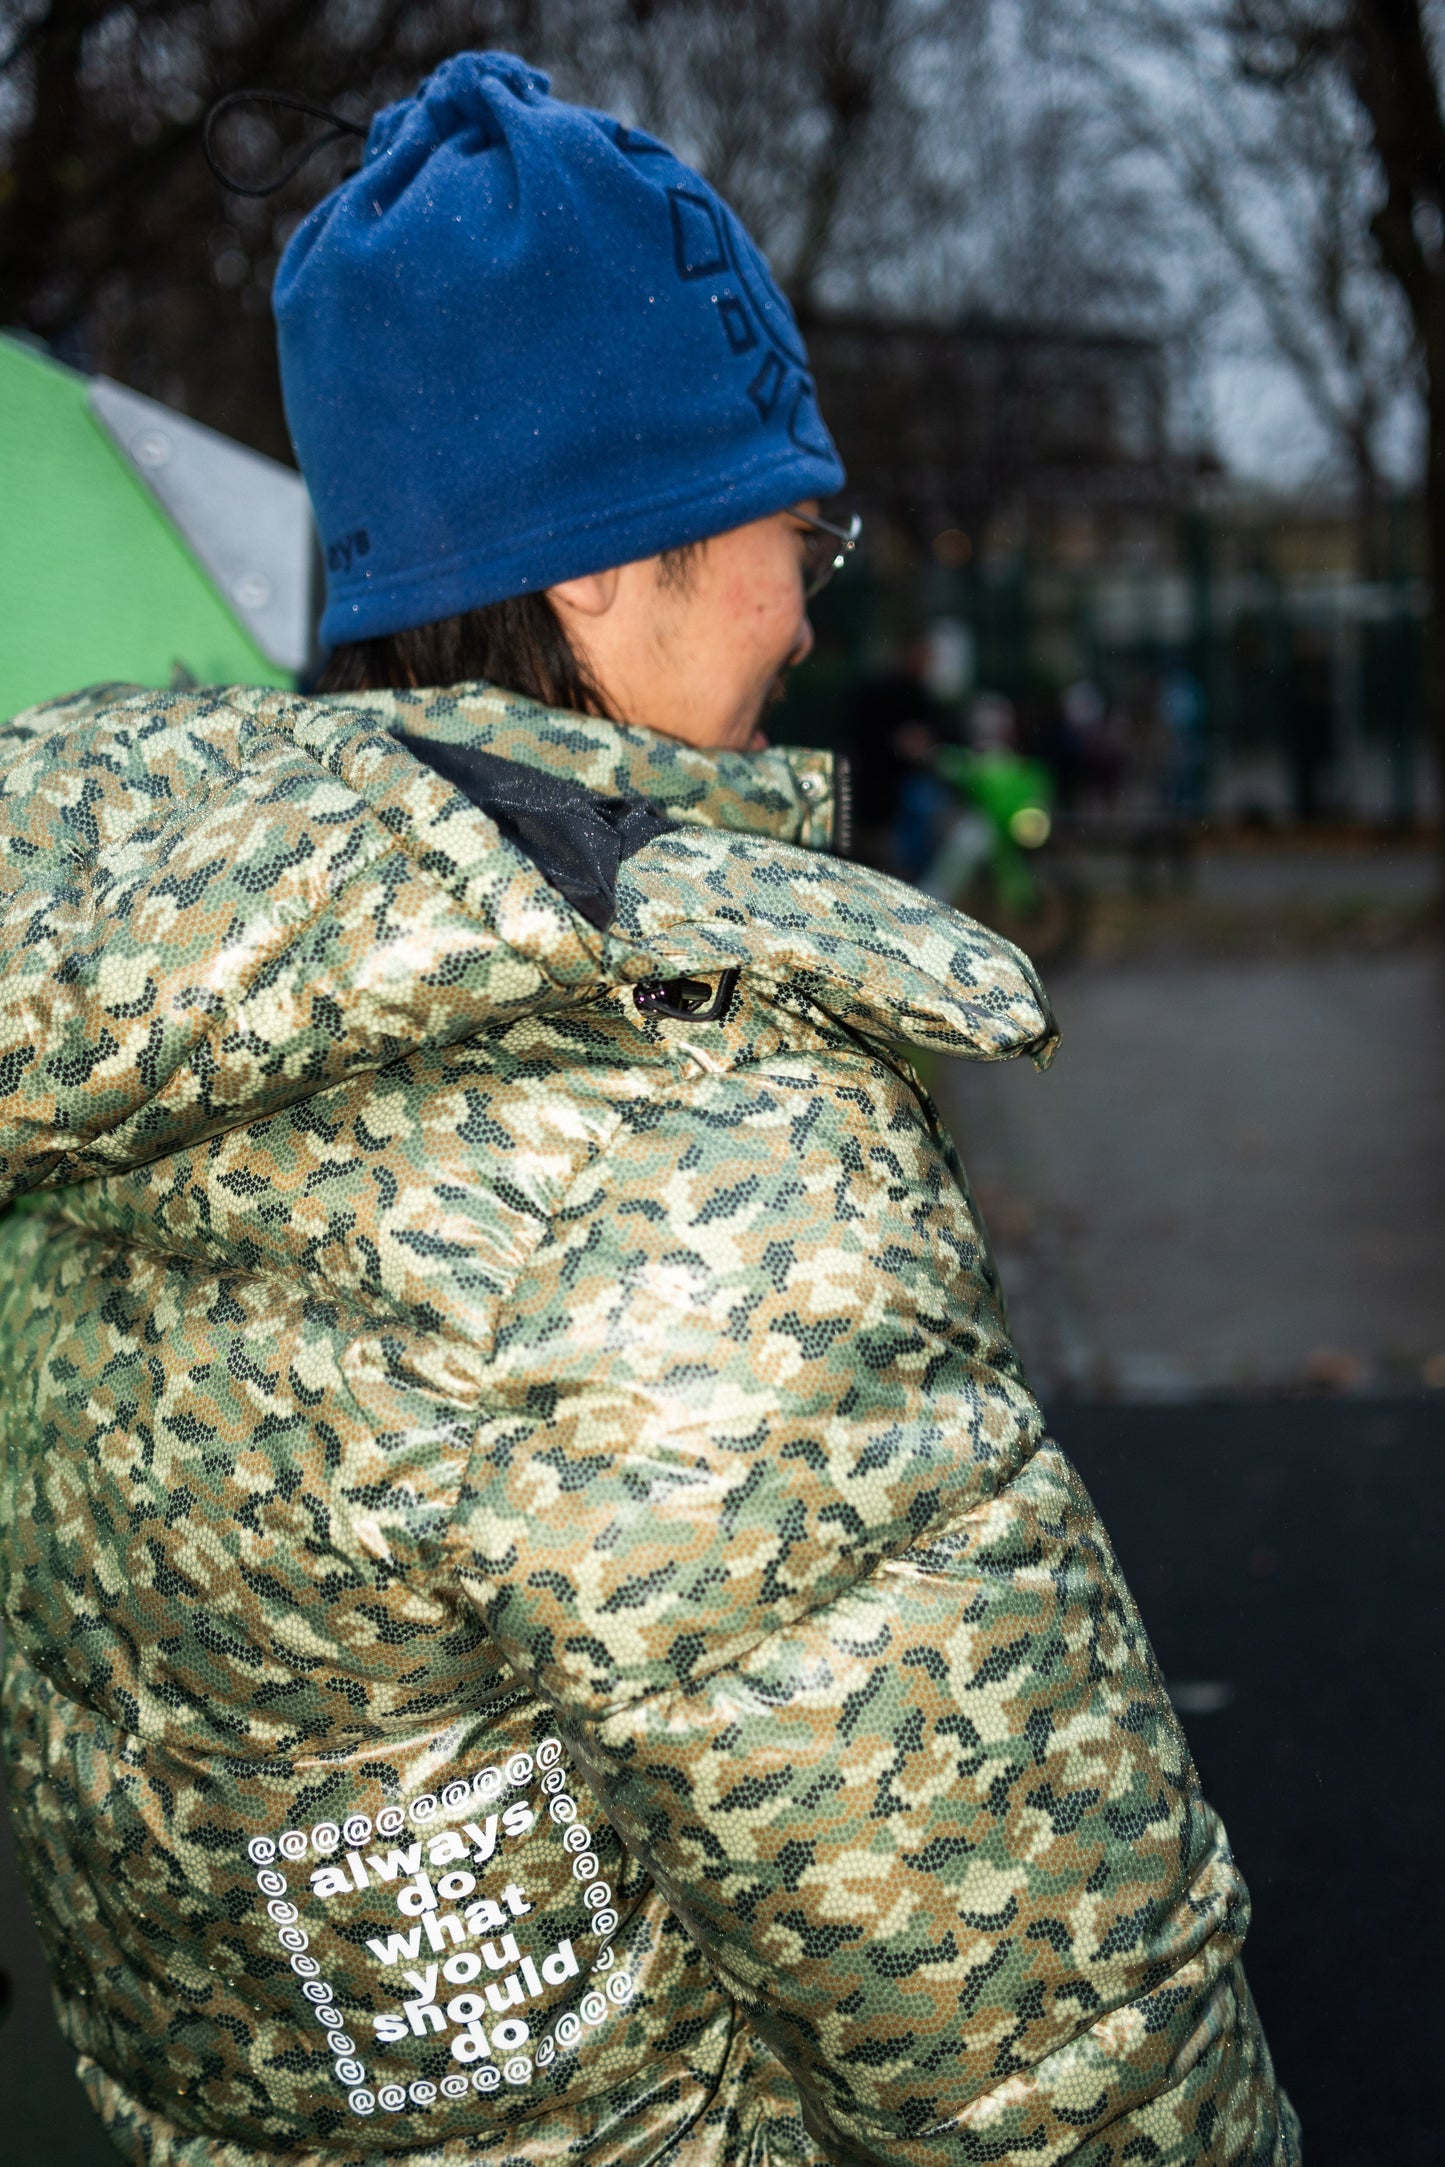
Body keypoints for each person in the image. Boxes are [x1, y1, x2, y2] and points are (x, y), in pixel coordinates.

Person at [0, 51, 1298, 2167]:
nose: (814, 599)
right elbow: (1047, 2038)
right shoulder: (681, 1147)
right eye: (799, 523)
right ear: (610, 567)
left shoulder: (129, 1057)